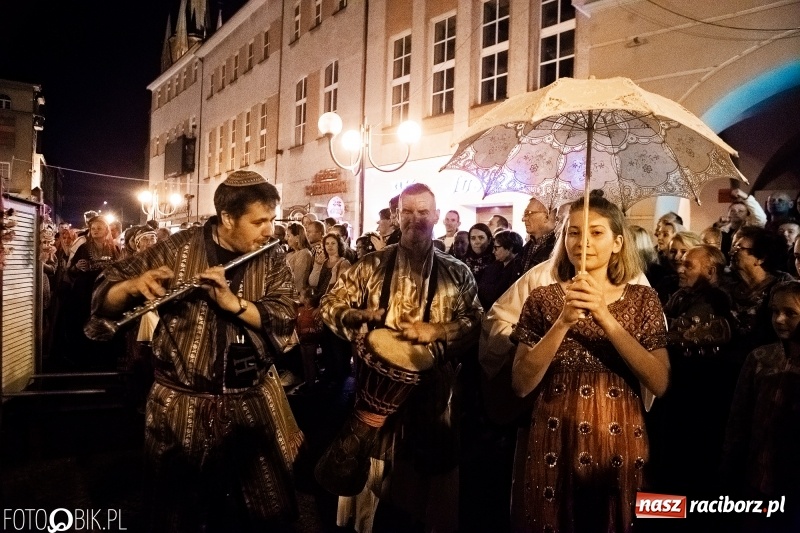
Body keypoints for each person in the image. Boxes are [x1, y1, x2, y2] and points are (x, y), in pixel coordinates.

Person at [87, 170, 302, 532]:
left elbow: (283, 314)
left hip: (250, 404)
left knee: (263, 517)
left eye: (272, 220)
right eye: (259, 221)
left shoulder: (271, 256)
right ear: (228, 218)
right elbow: (104, 298)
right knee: (176, 515)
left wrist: (232, 303)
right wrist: (132, 286)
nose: (270, 230)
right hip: (179, 405)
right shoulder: (177, 247)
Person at [321, 182, 483, 533]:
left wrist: (439, 331)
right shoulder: (369, 265)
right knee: (372, 489)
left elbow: (476, 321)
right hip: (374, 395)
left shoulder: (457, 271)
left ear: (436, 216)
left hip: (433, 394)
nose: (415, 219)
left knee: (426, 485)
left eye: (423, 211)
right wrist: (353, 318)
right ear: (396, 216)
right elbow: (329, 306)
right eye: (407, 211)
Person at [510, 195, 669, 532]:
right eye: (573, 233)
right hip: (555, 438)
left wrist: (605, 317)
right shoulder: (541, 299)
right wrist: (562, 322)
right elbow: (521, 383)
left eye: (596, 233)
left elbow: (659, 381)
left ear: (617, 243)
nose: (582, 243)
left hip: (619, 439)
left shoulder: (643, 299)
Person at [721, 280, 800, 532]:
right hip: (755, 477)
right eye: (775, 311)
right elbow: (738, 421)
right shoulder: (760, 358)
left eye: (790, 313)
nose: (779, 319)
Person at [477, 229, 523, 309]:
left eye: (496, 248)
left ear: (510, 248)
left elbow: (498, 294)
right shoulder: (495, 265)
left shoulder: (518, 268)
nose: (493, 251)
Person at [513, 197, 558, 279]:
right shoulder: (527, 247)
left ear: (546, 217)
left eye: (528, 213)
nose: (523, 219)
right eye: (524, 215)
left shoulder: (559, 248)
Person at [285, 222, 313, 293]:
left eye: (288, 236)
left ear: (297, 238)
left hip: (295, 293)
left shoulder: (304, 254)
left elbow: (297, 278)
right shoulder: (290, 254)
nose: (286, 238)